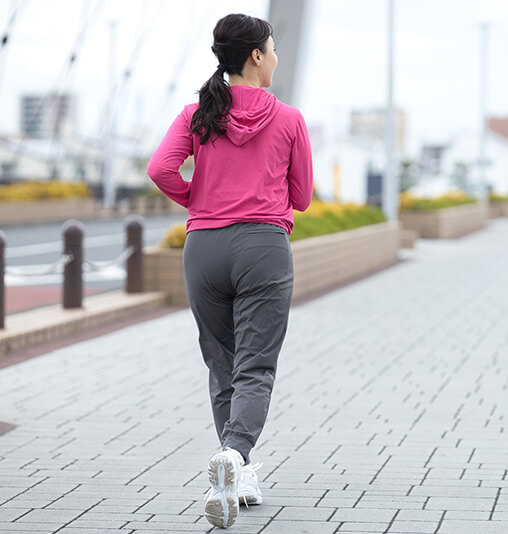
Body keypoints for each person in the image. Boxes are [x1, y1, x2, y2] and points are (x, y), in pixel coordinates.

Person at [146, 13, 313, 529]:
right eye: (272, 48)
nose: (276, 57)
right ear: (257, 56)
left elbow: (159, 169)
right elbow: (302, 197)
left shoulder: (199, 112)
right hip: (262, 247)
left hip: (203, 247)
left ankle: (236, 475)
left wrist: (199, 199)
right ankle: (236, 456)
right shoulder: (288, 119)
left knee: (223, 364)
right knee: (255, 366)